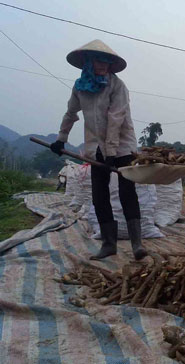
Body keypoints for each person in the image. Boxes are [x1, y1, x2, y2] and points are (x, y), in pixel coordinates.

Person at [50, 39, 147, 260]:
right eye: (98, 61)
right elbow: (71, 113)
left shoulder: (117, 86)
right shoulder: (79, 87)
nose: (103, 66)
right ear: (88, 62)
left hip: (122, 147)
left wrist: (112, 151)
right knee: (99, 195)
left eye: (106, 62)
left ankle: (137, 245)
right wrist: (61, 138)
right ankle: (109, 244)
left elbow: (116, 118)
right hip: (94, 148)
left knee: (127, 193)